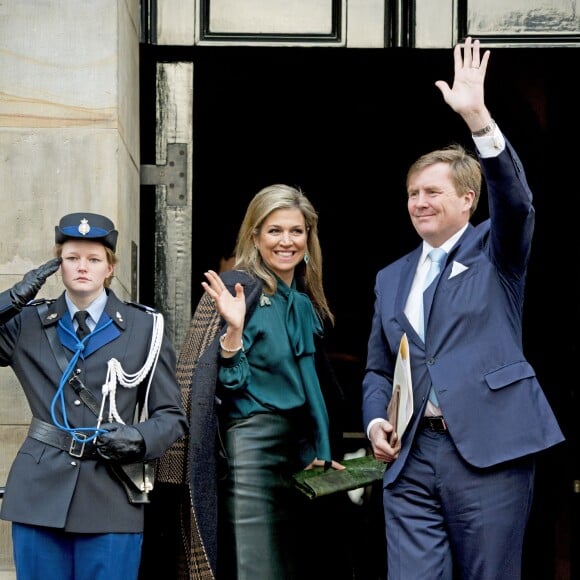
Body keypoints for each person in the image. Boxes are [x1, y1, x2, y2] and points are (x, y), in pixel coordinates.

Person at [362, 37, 565, 579]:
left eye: (432, 192)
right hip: (410, 459)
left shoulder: (497, 251)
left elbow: (517, 202)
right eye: (412, 193)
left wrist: (479, 122)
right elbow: (380, 368)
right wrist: (377, 418)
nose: (419, 203)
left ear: (467, 200)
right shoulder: (390, 277)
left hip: (488, 452)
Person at [156, 183, 348, 580]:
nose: (286, 241)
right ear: (255, 236)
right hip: (252, 450)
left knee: (299, 566)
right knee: (256, 568)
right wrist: (232, 333)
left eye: (296, 231)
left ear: (309, 238)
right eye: (274, 230)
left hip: (300, 453)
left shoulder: (305, 302)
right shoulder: (237, 289)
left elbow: (312, 384)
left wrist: (322, 449)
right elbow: (223, 385)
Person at [0, 212, 188, 580]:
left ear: (110, 268)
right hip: (39, 495)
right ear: (58, 266)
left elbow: (171, 416)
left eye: (94, 259)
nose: (82, 267)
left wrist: (138, 437)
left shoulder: (145, 326)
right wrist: (13, 297)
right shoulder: (25, 323)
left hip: (111, 495)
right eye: (71, 258)